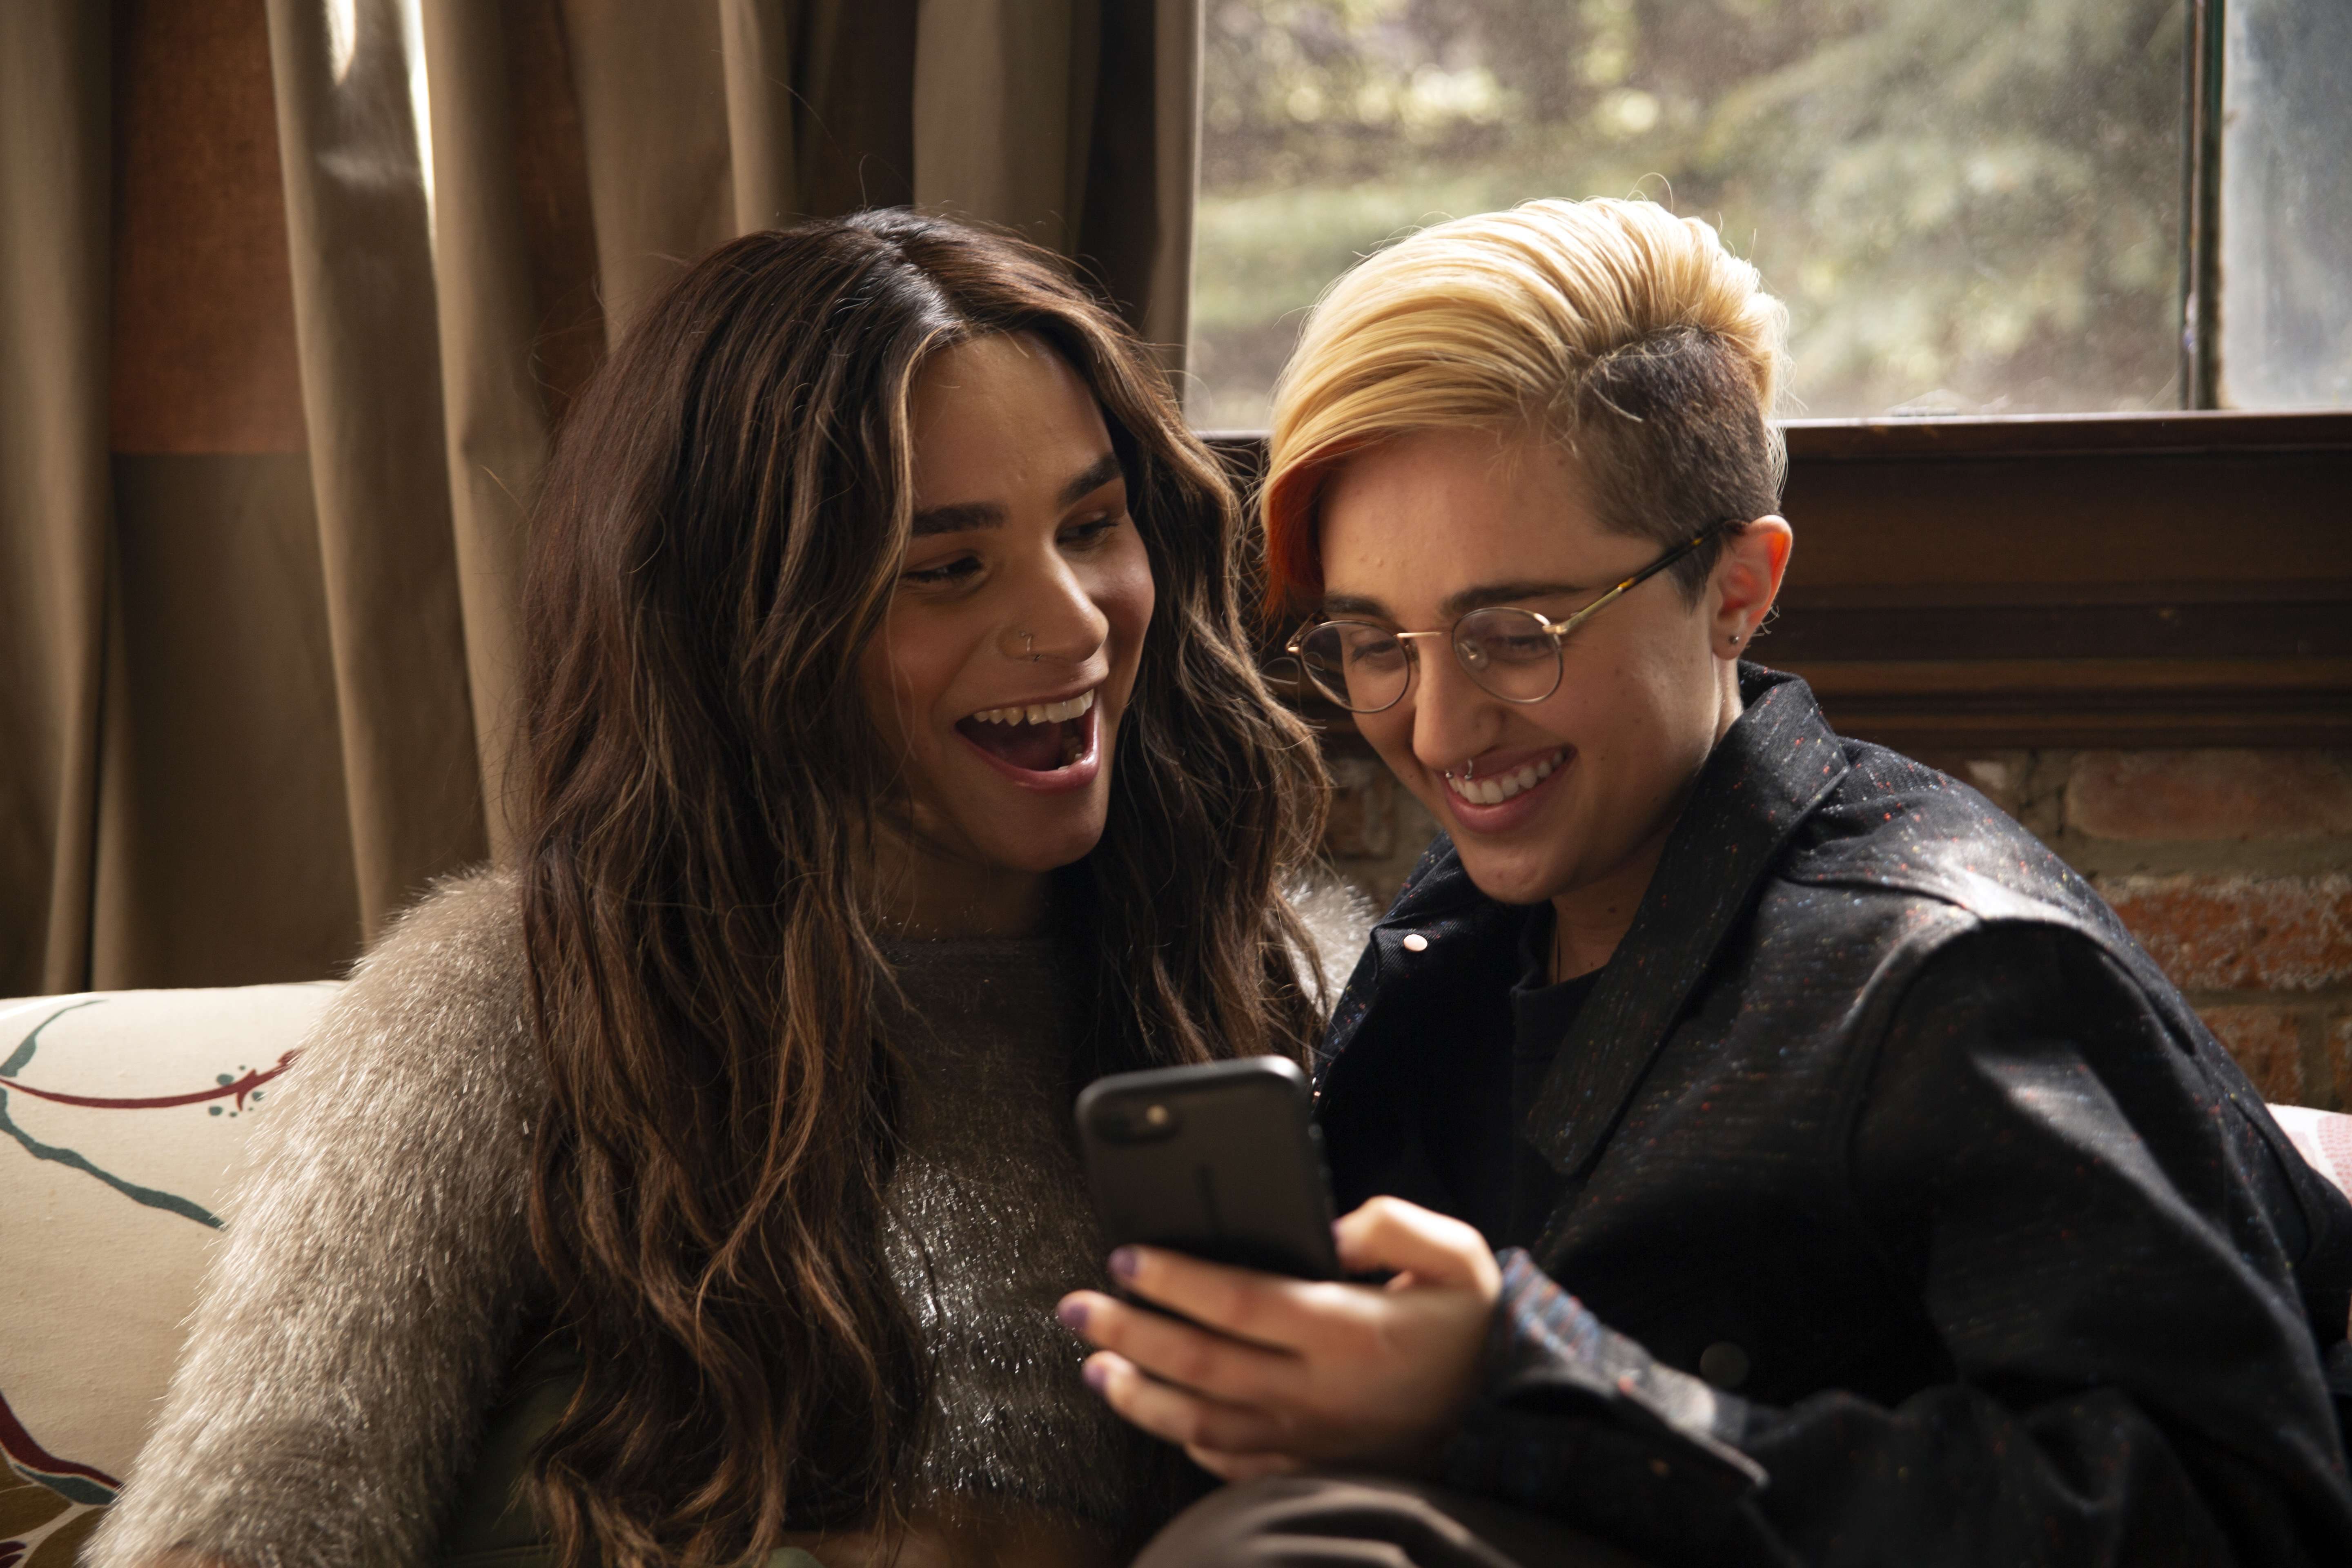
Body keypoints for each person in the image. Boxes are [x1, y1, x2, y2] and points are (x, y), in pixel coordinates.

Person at [1060, 197, 2352, 1566]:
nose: (1437, 731)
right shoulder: (1459, 946)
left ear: (1738, 589)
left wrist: (1519, 1387)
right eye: (1375, 642)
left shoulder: (1950, 977)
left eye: (1518, 633)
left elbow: (2242, 1513)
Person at [87, 210, 1368, 1568]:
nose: (1074, 622)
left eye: (1095, 525)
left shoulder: (1292, 973)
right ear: (743, 626)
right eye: (947, 568)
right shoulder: (506, 1002)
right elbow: (241, 1535)